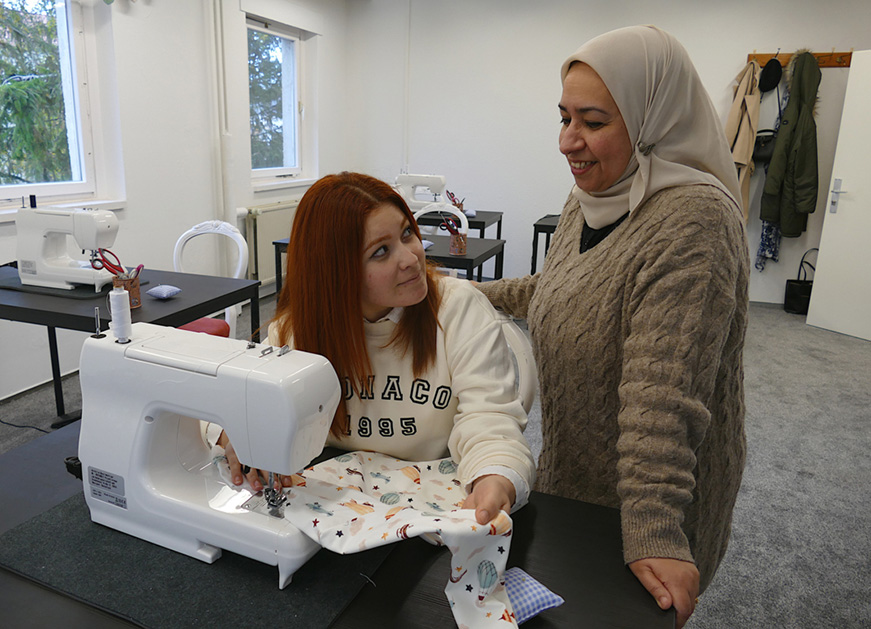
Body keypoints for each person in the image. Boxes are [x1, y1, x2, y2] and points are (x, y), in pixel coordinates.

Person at [475, 25, 748, 629]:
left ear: (651, 121)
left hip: (654, 494)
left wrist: (653, 527)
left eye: (593, 122)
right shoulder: (591, 195)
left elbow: (662, 395)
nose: (568, 141)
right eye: (564, 117)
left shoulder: (694, 223)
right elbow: (561, 291)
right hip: (576, 470)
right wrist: (468, 294)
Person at [211, 171, 535, 526]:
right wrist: (236, 431)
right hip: (336, 517)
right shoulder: (296, 334)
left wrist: (495, 478)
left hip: (430, 515)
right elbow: (236, 403)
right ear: (336, 272)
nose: (412, 258)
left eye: (407, 233)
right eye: (381, 251)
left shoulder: (458, 310)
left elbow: (490, 421)